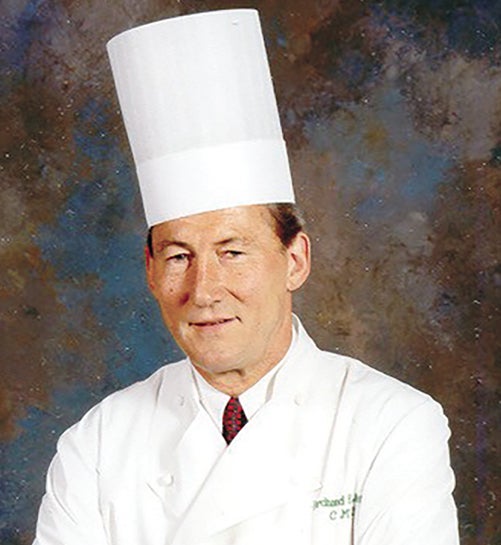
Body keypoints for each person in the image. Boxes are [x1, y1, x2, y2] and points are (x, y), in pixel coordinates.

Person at [33, 9, 459, 545]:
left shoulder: (391, 424)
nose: (204, 290)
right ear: (149, 271)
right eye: (178, 256)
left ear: (295, 260)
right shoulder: (96, 444)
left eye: (233, 252)